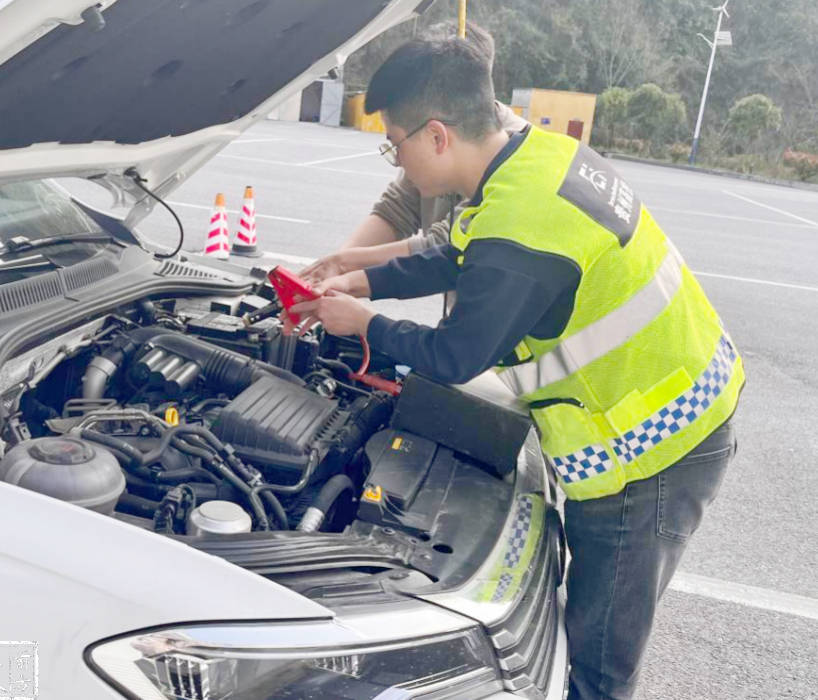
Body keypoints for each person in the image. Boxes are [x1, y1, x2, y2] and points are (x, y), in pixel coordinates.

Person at [290, 32, 744, 700]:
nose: (397, 158)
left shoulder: (520, 228)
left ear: (437, 136)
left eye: (395, 143)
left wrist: (364, 326)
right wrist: (363, 280)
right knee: (583, 630)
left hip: (651, 456)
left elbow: (455, 356)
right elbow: (458, 256)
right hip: (679, 404)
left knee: (596, 660)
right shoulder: (535, 160)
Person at [302, 24, 527, 320]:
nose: (399, 161)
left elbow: (443, 248)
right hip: (474, 332)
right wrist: (331, 278)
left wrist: (347, 276)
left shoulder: (511, 165)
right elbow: (398, 207)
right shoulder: (434, 133)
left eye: (397, 145)